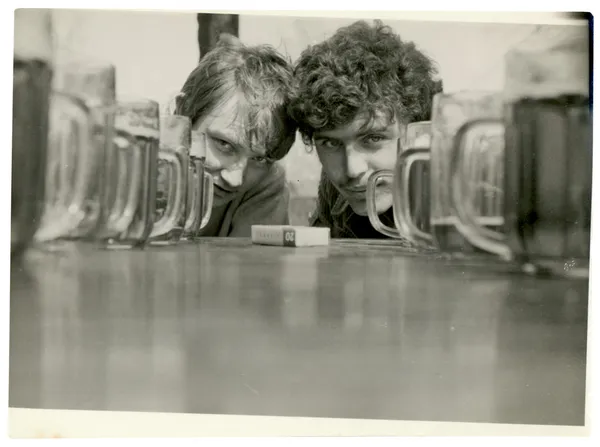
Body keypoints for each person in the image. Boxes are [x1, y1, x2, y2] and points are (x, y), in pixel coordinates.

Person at [288, 20, 442, 238]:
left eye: (373, 138)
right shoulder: (336, 196)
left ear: (419, 133)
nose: (352, 170)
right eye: (331, 143)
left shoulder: (459, 202)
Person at [175, 34, 297, 237]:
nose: (235, 180)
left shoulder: (266, 184)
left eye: (258, 159)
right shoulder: (134, 170)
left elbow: (249, 267)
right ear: (182, 113)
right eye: (224, 144)